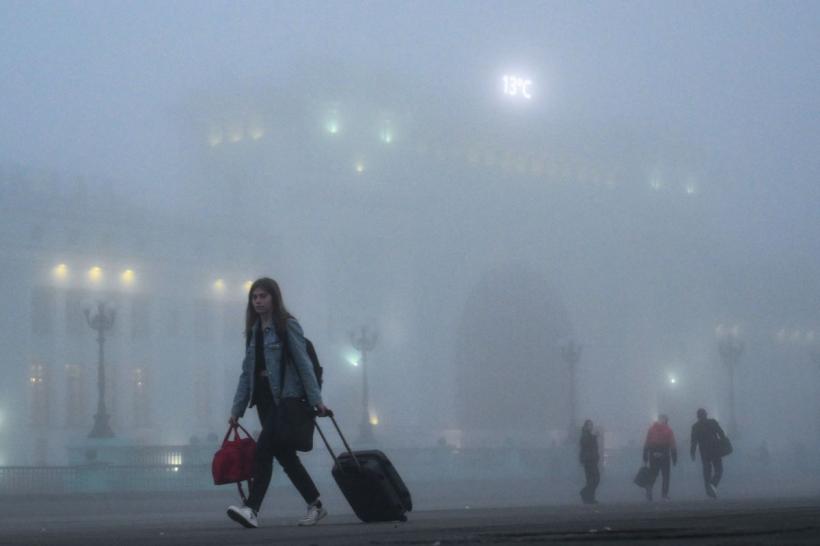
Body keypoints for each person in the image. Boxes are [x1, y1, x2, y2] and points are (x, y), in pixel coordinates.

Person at [226, 277, 332, 528]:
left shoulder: (287, 326)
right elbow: (246, 373)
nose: (258, 301)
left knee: (263, 451)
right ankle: (315, 505)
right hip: (263, 401)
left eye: (263, 296)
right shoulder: (253, 333)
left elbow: (304, 364)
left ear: (274, 298)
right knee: (285, 457)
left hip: (285, 401)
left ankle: (251, 509)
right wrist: (236, 410)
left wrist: (317, 400)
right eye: (254, 297)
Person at [690, 408, 727, 498]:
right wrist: (725, 443)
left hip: (704, 451)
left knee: (707, 470)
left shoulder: (695, 426)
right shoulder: (713, 422)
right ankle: (713, 484)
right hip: (715, 449)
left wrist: (692, 452)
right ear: (706, 415)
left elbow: (694, 441)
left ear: (698, 416)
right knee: (719, 470)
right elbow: (721, 433)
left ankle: (708, 489)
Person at [642, 414, 677, 501]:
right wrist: (674, 456)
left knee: (653, 474)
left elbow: (647, 442)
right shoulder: (669, 430)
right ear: (666, 420)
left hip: (653, 454)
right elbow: (672, 444)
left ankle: (649, 492)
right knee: (666, 475)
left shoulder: (651, 429)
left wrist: (645, 454)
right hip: (664, 454)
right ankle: (664, 495)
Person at [578, 419, 600, 504]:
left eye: (591, 425)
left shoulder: (588, 435)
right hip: (589, 460)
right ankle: (585, 494)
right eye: (589, 425)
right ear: (586, 426)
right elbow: (586, 443)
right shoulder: (585, 435)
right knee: (595, 479)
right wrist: (595, 437)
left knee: (592, 480)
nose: (591, 426)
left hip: (591, 460)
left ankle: (589, 498)